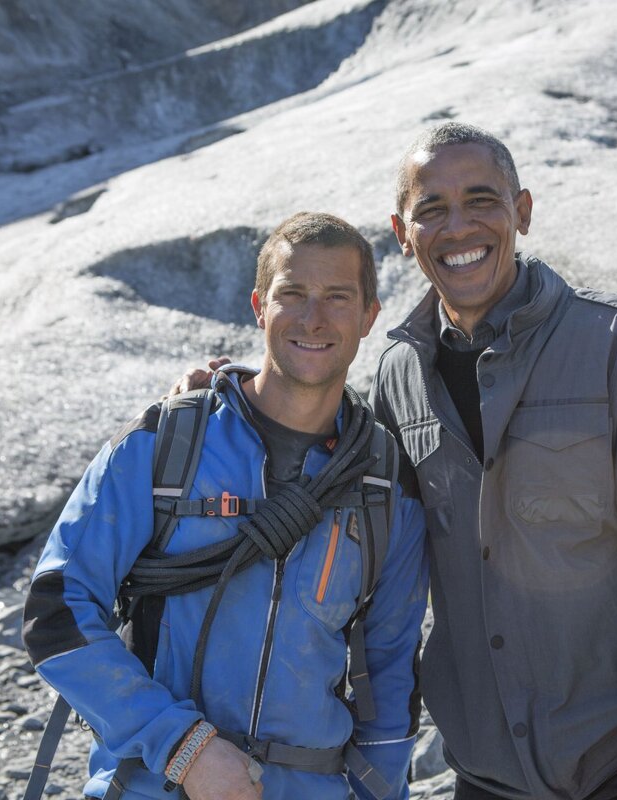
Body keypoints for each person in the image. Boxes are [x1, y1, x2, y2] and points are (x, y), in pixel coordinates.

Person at [370, 123, 617, 800]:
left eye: (482, 200)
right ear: (402, 232)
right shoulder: (398, 374)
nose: (458, 227)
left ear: (523, 212)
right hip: (486, 776)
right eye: (431, 210)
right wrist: (233, 396)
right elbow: (346, 527)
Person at [23, 212, 428, 800]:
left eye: (338, 297)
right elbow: (56, 607)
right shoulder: (163, 447)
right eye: (293, 294)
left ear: (370, 316)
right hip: (153, 784)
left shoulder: (383, 484)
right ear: (260, 306)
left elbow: (389, 675)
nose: (314, 318)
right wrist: (182, 748)